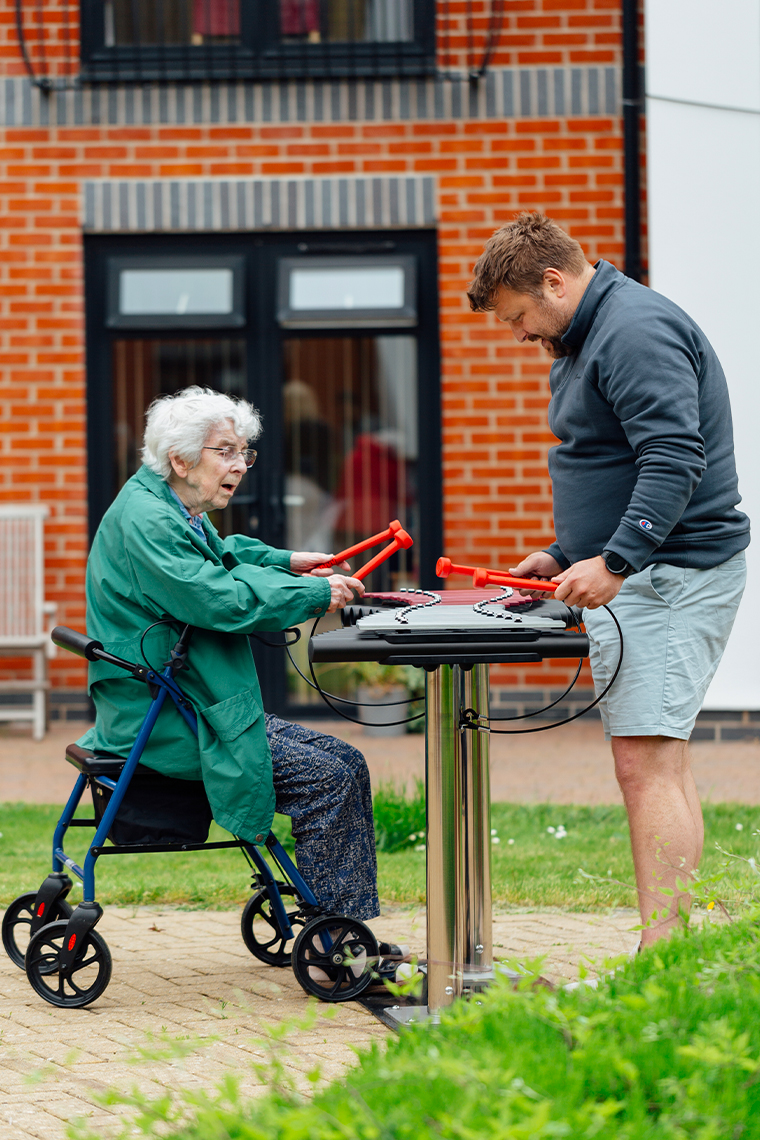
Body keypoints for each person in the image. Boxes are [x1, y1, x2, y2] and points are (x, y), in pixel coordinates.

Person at [467, 213, 750, 946]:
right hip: (652, 571)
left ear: (554, 281)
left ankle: (663, 957)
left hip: (668, 575)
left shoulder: (632, 331)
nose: (520, 334)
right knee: (660, 761)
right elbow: (614, 457)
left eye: (520, 316)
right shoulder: (591, 332)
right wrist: (568, 551)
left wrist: (617, 560)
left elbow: (672, 457)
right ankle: (679, 948)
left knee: (644, 766)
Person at [78, 385, 403, 955]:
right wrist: (309, 595)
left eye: (243, 453)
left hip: (191, 705)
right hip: (172, 723)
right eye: (225, 452)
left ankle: (332, 923)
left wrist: (288, 561)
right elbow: (217, 598)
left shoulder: (164, 502)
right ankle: (339, 945)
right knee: (331, 778)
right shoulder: (151, 520)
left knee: (344, 760)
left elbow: (221, 557)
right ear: (180, 459)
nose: (240, 466)